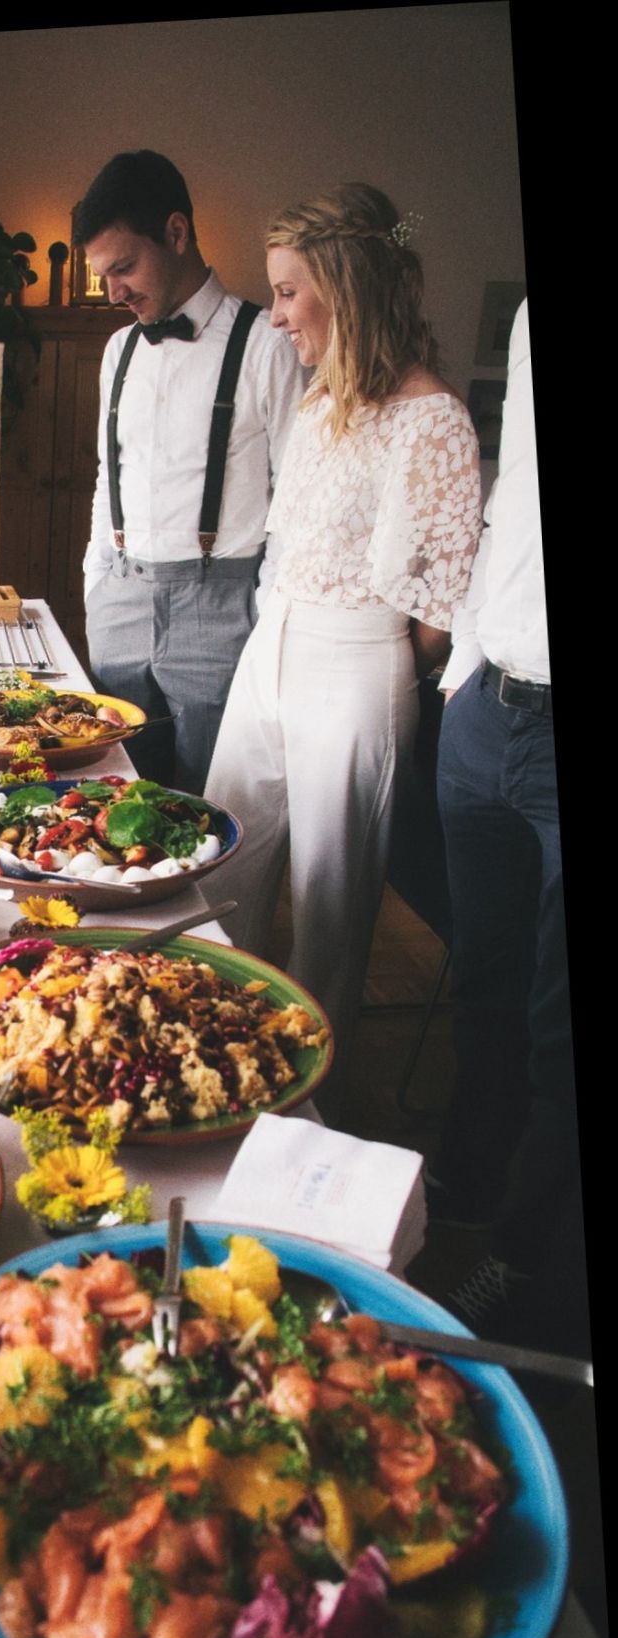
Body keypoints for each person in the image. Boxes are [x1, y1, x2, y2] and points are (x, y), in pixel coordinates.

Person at [202, 183, 483, 1116]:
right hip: (272, 641)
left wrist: (371, 664)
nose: (275, 314)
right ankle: (207, 1055)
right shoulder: (323, 399)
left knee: (330, 905)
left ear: (346, 286)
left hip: (359, 663)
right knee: (225, 857)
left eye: (288, 293)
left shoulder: (435, 418)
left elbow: (442, 599)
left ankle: (303, 1106)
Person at [427, 301, 587, 1354]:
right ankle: (455, 1201)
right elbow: (508, 501)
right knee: (476, 978)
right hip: (486, 706)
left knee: (554, 1030)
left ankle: (527, 1269)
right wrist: (457, 678)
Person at [77, 151, 305, 791]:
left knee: (215, 802)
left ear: (176, 233)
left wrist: (259, 613)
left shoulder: (266, 343)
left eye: (123, 267)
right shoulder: (117, 349)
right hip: (119, 600)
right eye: (104, 276)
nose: (114, 292)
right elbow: (108, 474)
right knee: (117, 793)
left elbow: (294, 497)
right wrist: (98, 583)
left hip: (221, 603)